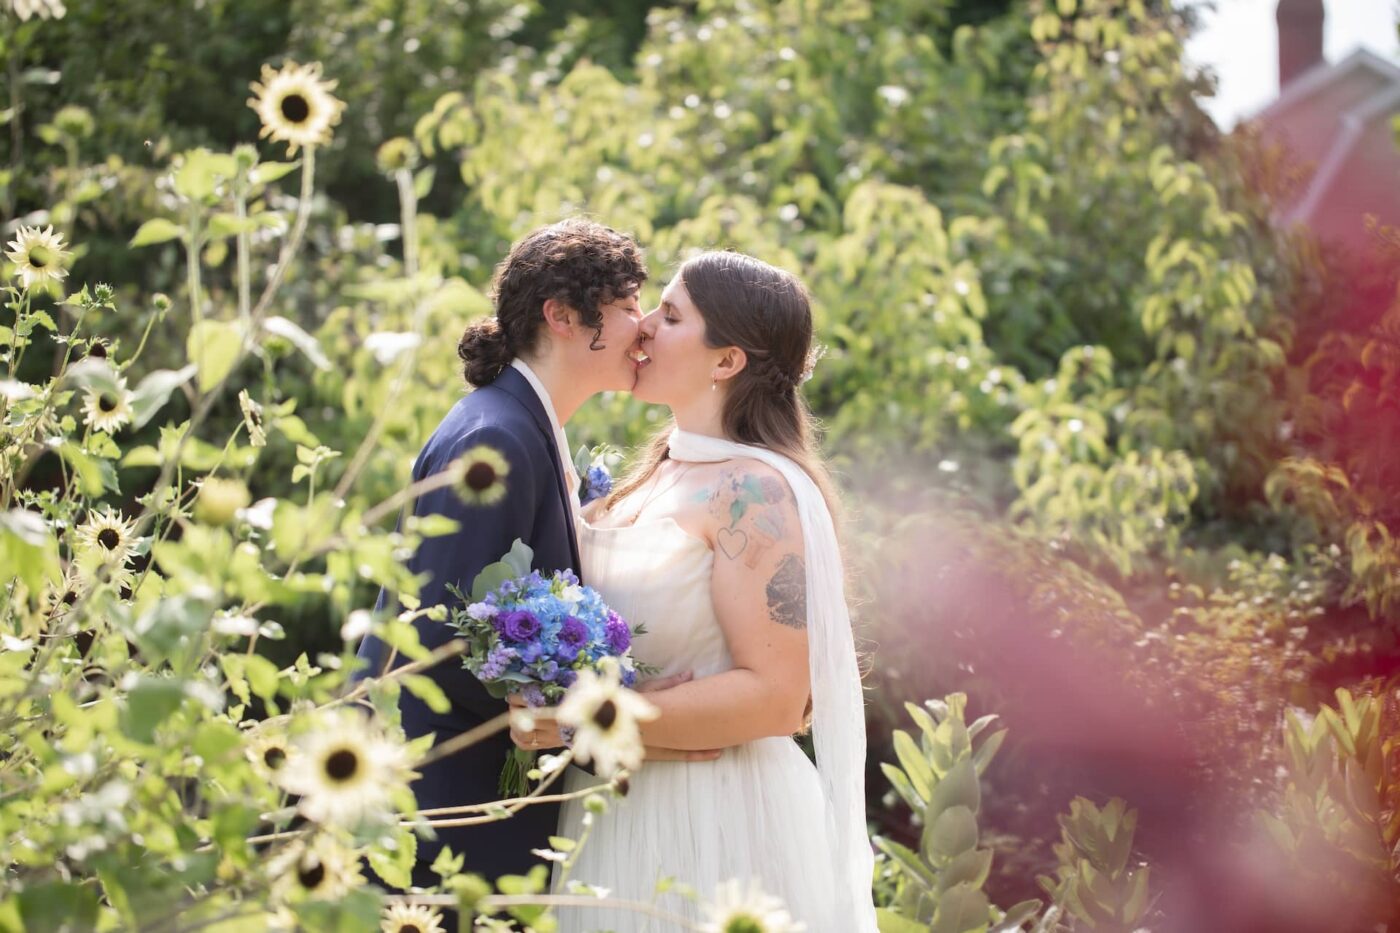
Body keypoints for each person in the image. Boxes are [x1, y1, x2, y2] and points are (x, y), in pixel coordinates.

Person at [511, 251, 878, 931]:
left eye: (672, 315)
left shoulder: (756, 494)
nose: (644, 325)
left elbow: (777, 696)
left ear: (726, 360)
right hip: (611, 811)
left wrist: (577, 719)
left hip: (713, 821)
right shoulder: (651, 476)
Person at [354, 218, 708, 888]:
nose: (643, 327)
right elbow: (442, 638)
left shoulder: (525, 426)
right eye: (628, 306)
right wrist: (607, 708)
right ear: (563, 316)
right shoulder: (497, 439)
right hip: (445, 815)